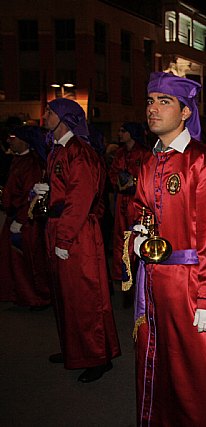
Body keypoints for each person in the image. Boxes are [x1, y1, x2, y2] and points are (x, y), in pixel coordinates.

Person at [128, 72, 206, 426]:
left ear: (184, 112)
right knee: (161, 365)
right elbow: (142, 210)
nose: (153, 109)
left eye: (165, 102)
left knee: (202, 376)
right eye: (150, 101)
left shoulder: (205, 162)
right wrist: (136, 234)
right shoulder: (149, 162)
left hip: (193, 286)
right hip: (156, 283)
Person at [32, 98, 120, 382]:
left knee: (85, 296)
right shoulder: (57, 151)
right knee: (64, 296)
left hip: (77, 232)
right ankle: (74, 349)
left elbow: (80, 200)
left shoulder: (80, 152)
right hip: (59, 227)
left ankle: (97, 356)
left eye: (50, 112)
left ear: (64, 118)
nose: (44, 116)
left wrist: (64, 238)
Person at [0, 126, 51, 308]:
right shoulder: (17, 160)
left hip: (26, 221)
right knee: (12, 260)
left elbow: (31, 195)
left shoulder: (31, 164)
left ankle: (34, 297)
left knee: (26, 261)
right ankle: (17, 294)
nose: (9, 140)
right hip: (14, 217)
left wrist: (20, 220)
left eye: (13, 137)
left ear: (24, 140)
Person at [107, 122, 150, 282]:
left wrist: (135, 181)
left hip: (136, 200)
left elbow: (148, 176)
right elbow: (112, 172)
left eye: (123, 131)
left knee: (135, 233)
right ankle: (120, 272)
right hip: (121, 199)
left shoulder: (144, 153)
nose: (119, 133)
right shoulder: (119, 153)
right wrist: (118, 182)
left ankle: (136, 271)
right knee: (119, 234)